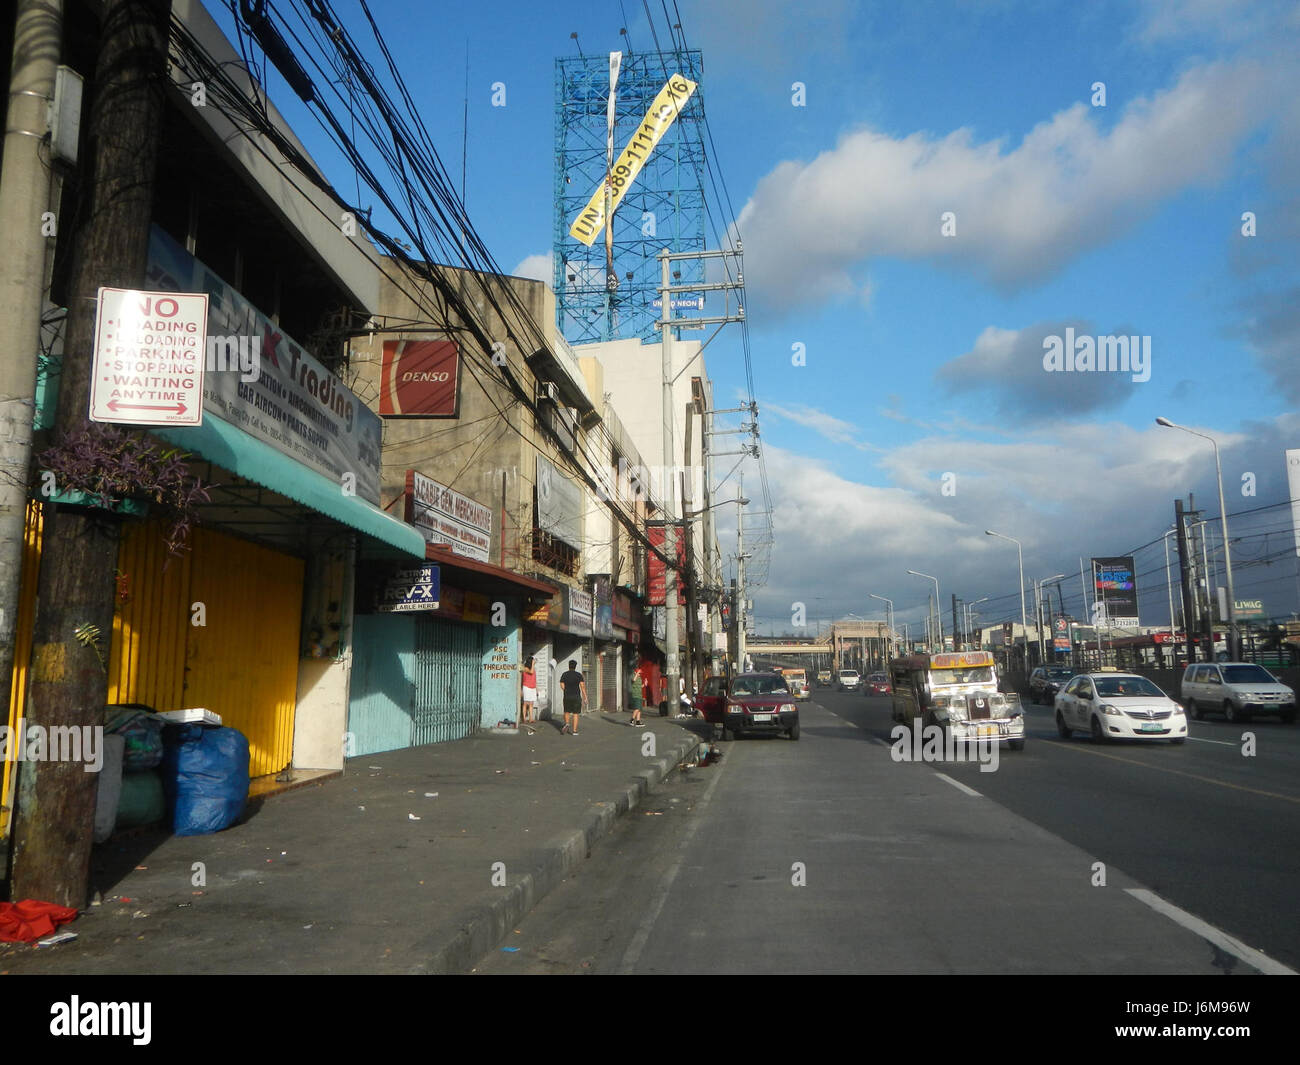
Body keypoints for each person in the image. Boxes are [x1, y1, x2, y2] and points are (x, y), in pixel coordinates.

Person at [559, 659, 587, 734]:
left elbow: (561, 685)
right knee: (575, 713)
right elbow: (582, 687)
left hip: (567, 696)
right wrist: (585, 697)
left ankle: (567, 723)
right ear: (575, 666)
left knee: (566, 711)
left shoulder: (564, 674)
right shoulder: (579, 675)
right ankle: (574, 731)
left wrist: (567, 690)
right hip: (576, 697)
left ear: (569, 666)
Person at [520, 656, 537, 727]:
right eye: (533, 661)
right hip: (526, 687)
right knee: (525, 703)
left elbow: (534, 678)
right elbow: (531, 672)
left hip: (533, 687)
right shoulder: (525, 668)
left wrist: (536, 688)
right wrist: (533, 664)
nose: (534, 662)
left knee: (531, 704)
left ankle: (530, 718)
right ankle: (524, 718)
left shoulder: (533, 668)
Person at [627, 655, 645, 727]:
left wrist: (644, 685)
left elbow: (640, 686)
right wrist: (637, 674)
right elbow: (633, 680)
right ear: (636, 672)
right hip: (635, 694)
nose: (640, 674)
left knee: (639, 709)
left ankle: (638, 721)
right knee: (637, 708)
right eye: (639, 673)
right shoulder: (633, 676)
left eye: (640, 673)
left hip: (640, 694)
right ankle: (631, 719)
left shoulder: (640, 678)